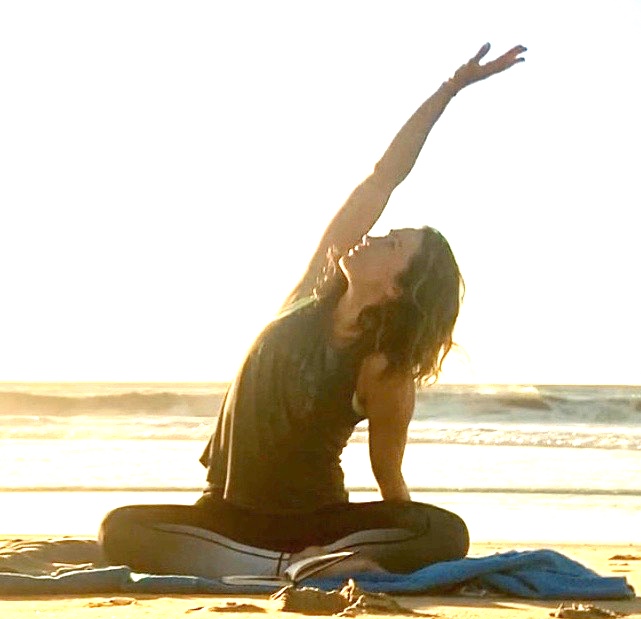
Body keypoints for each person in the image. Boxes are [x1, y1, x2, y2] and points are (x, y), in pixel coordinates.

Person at [99, 42, 526, 579]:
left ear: (398, 289)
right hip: (227, 515)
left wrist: (410, 545)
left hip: (318, 523)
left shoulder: (383, 369)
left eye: (391, 245)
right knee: (120, 527)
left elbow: (391, 484)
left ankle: (287, 562)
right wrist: (447, 91)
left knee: (445, 532)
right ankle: (287, 566)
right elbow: (382, 179)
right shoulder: (309, 290)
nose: (373, 236)